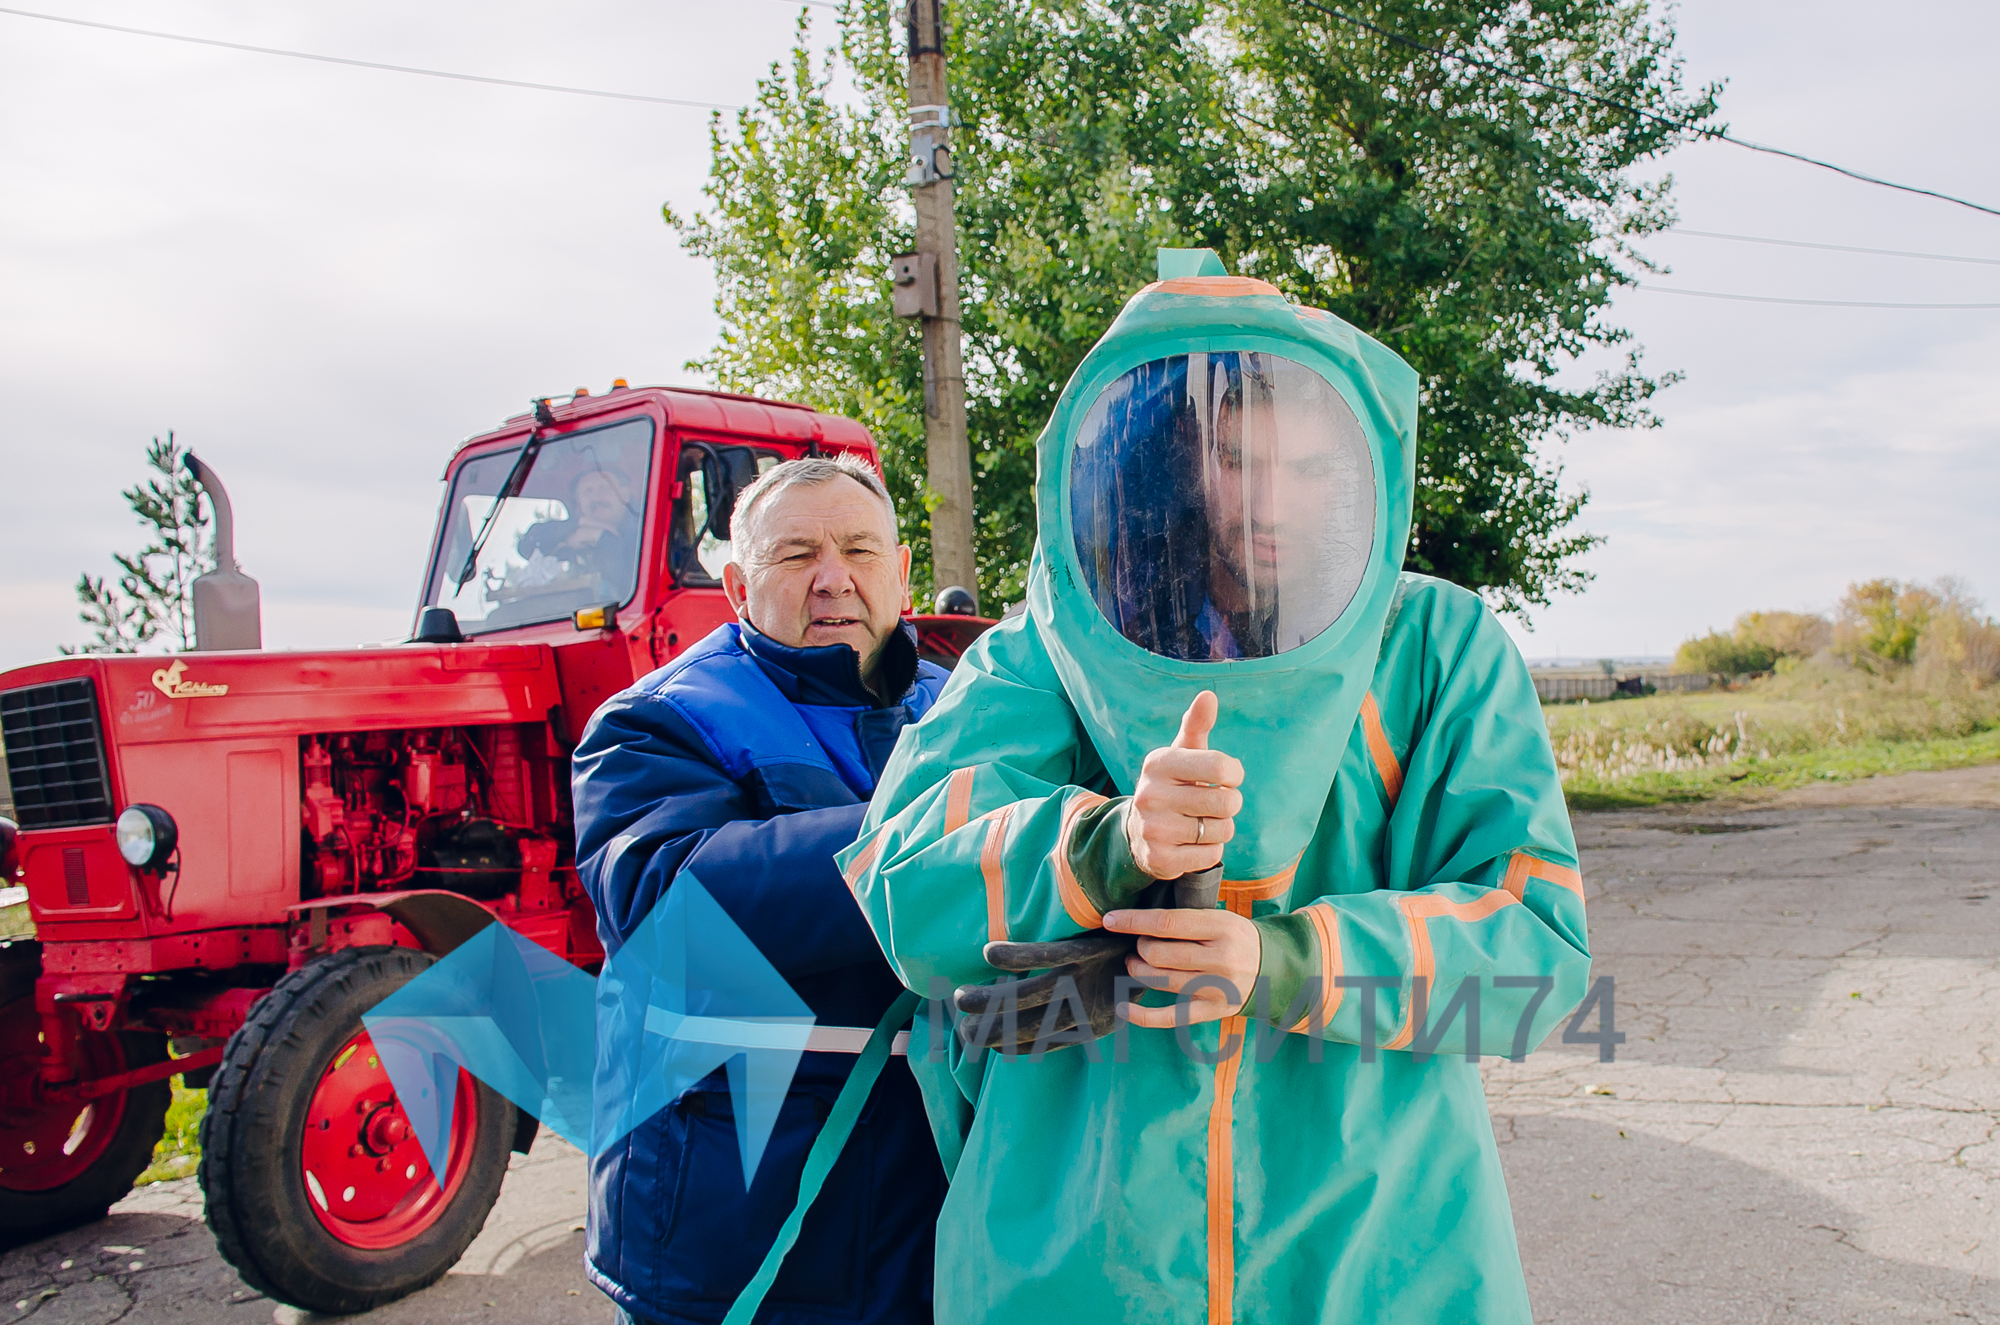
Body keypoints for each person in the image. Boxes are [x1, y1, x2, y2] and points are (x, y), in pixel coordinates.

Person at [840, 251, 1593, 1325]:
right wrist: (1100, 845)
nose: (1271, 502)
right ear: (1174, 460)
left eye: (1313, 468)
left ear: (1366, 476)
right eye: (1238, 459)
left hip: (1376, 1255)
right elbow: (904, 886)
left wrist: (1283, 958)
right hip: (1081, 1260)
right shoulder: (1045, 651)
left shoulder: (1434, 646)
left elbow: (1534, 958)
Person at [572, 453, 951, 1325]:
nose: (833, 579)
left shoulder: (966, 706)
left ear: (900, 573)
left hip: (927, 1219)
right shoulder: (654, 721)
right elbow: (671, 906)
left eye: (860, 549)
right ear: (740, 587)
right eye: (796, 555)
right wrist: (929, 842)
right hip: (738, 1227)